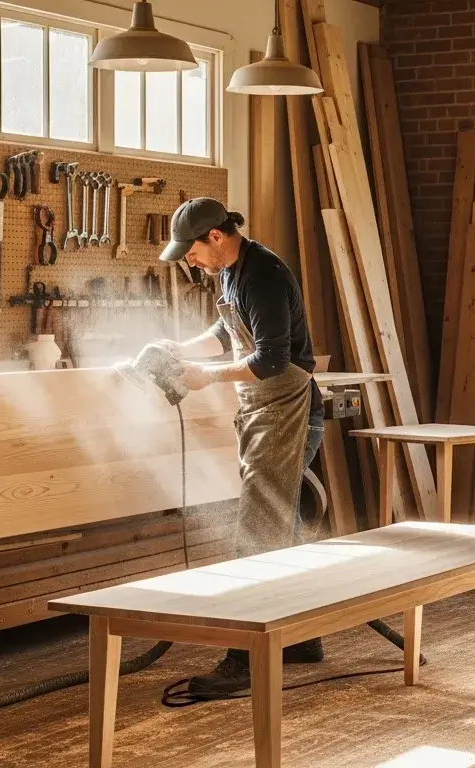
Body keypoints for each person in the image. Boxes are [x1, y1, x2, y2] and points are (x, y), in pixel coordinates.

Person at [146, 197, 327, 696]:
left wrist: (204, 378)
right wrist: (180, 349)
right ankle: (302, 637)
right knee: (280, 521)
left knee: (260, 524)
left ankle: (245, 656)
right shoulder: (230, 271)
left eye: (192, 250)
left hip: (288, 406)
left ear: (217, 237)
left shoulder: (263, 275)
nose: (188, 260)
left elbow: (270, 360)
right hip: (264, 407)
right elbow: (227, 333)